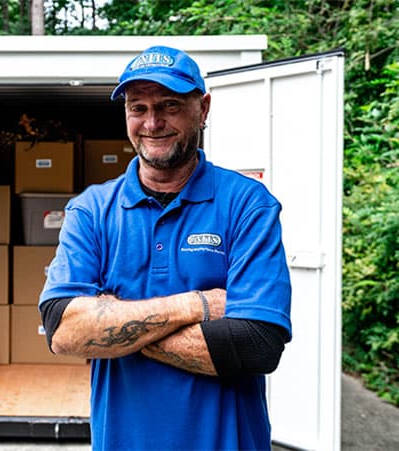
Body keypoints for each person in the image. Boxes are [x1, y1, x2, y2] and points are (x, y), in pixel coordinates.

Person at [39, 45, 292, 450]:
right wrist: (197, 306)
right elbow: (63, 331)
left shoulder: (248, 204)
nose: (152, 122)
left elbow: (256, 345)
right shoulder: (91, 210)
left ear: (203, 109)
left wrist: (109, 323)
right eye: (137, 107)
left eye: (170, 105)